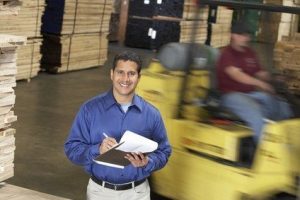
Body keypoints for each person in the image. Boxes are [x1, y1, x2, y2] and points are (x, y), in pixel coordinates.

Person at [64, 51, 172, 200]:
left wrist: (148, 161)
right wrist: (98, 149)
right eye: (120, 72)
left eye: (131, 73)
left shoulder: (152, 114)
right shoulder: (90, 109)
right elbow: (72, 150)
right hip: (100, 193)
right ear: (112, 74)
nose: (125, 79)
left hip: (137, 193)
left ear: (139, 78)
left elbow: (164, 152)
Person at [216, 20, 293, 143]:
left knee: (280, 105)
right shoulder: (226, 54)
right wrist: (260, 83)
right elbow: (237, 75)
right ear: (234, 35)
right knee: (255, 112)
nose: (246, 38)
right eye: (243, 35)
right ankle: (264, 149)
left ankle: (284, 139)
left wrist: (275, 78)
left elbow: (259, 73)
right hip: (231, 95)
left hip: (250, 94)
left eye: (247, 35)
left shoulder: (249, 52)